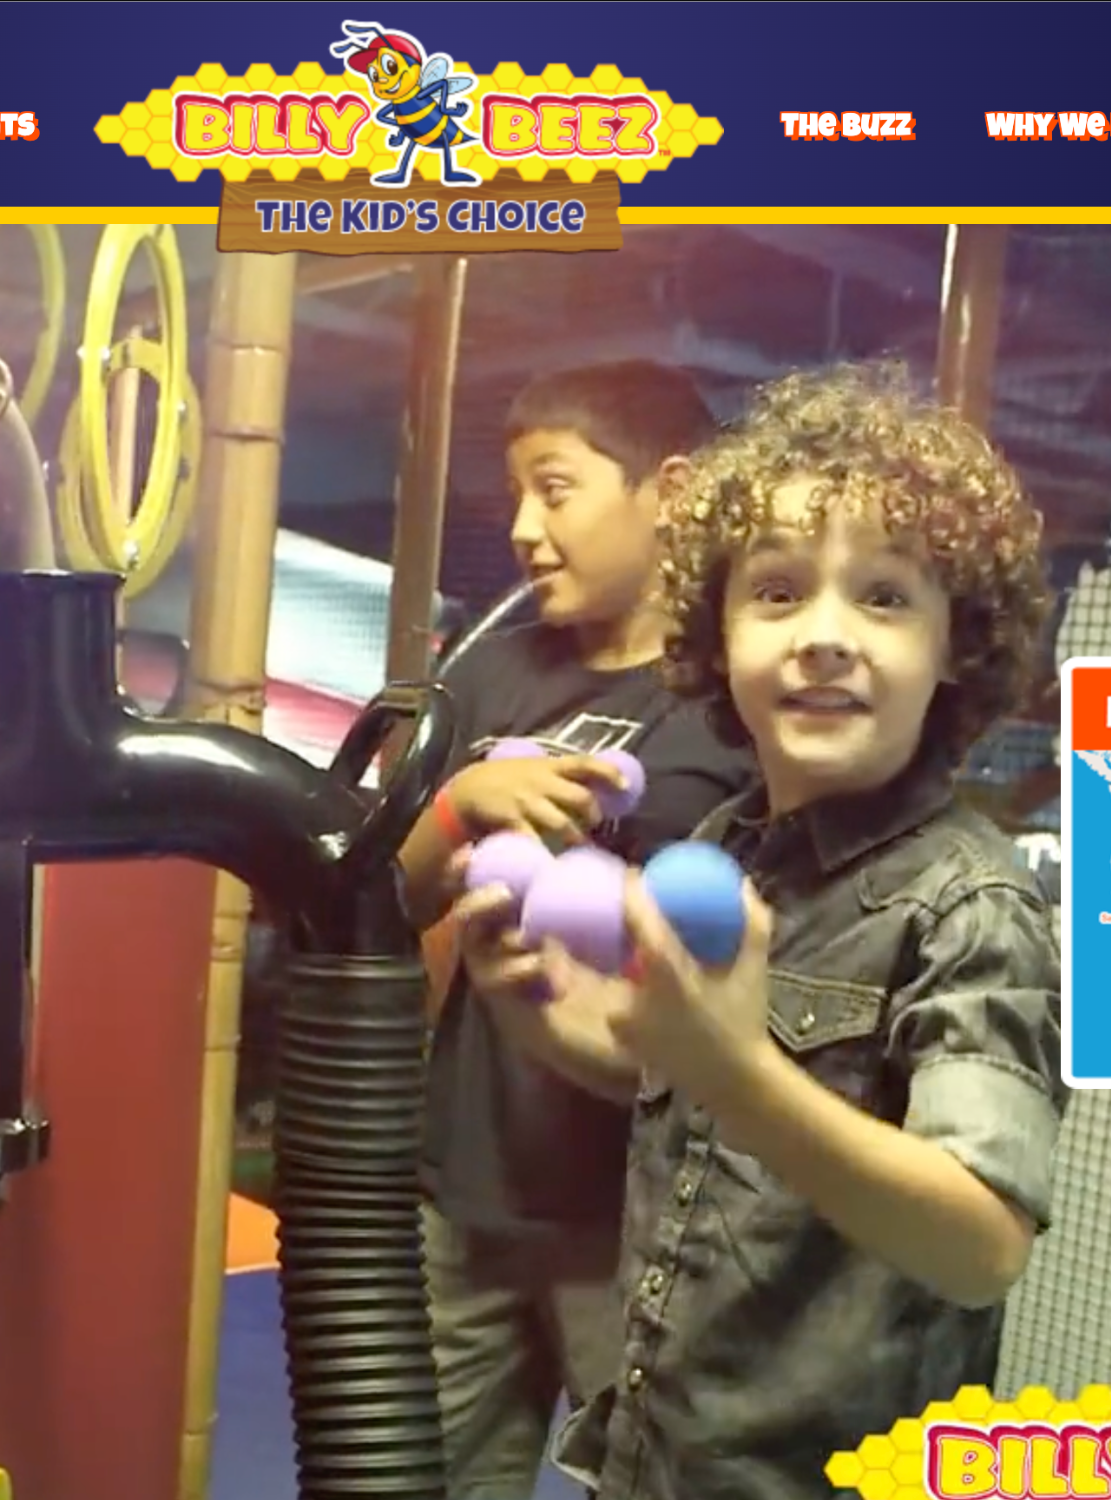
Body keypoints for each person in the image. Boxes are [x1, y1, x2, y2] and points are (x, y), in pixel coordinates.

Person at [449, 362, 1067, 1500]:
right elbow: (666, 1080)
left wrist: (737, 1074)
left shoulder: (970, 906)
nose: (824, 636)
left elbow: (980, 1243)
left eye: (884, 597)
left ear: (954, 647)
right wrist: (532, 1007)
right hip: (654, 1454)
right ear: (714, 633)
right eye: (776, 593)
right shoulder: (730, 846)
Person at [397, 360, 757, 1499]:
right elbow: (381, 893)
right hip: (470, 1190)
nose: (522, 529)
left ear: (671, 490)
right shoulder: (493, 673)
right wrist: (460, 808)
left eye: (555, 490)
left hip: (641, 1220)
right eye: (517, 495)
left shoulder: (735, 701)